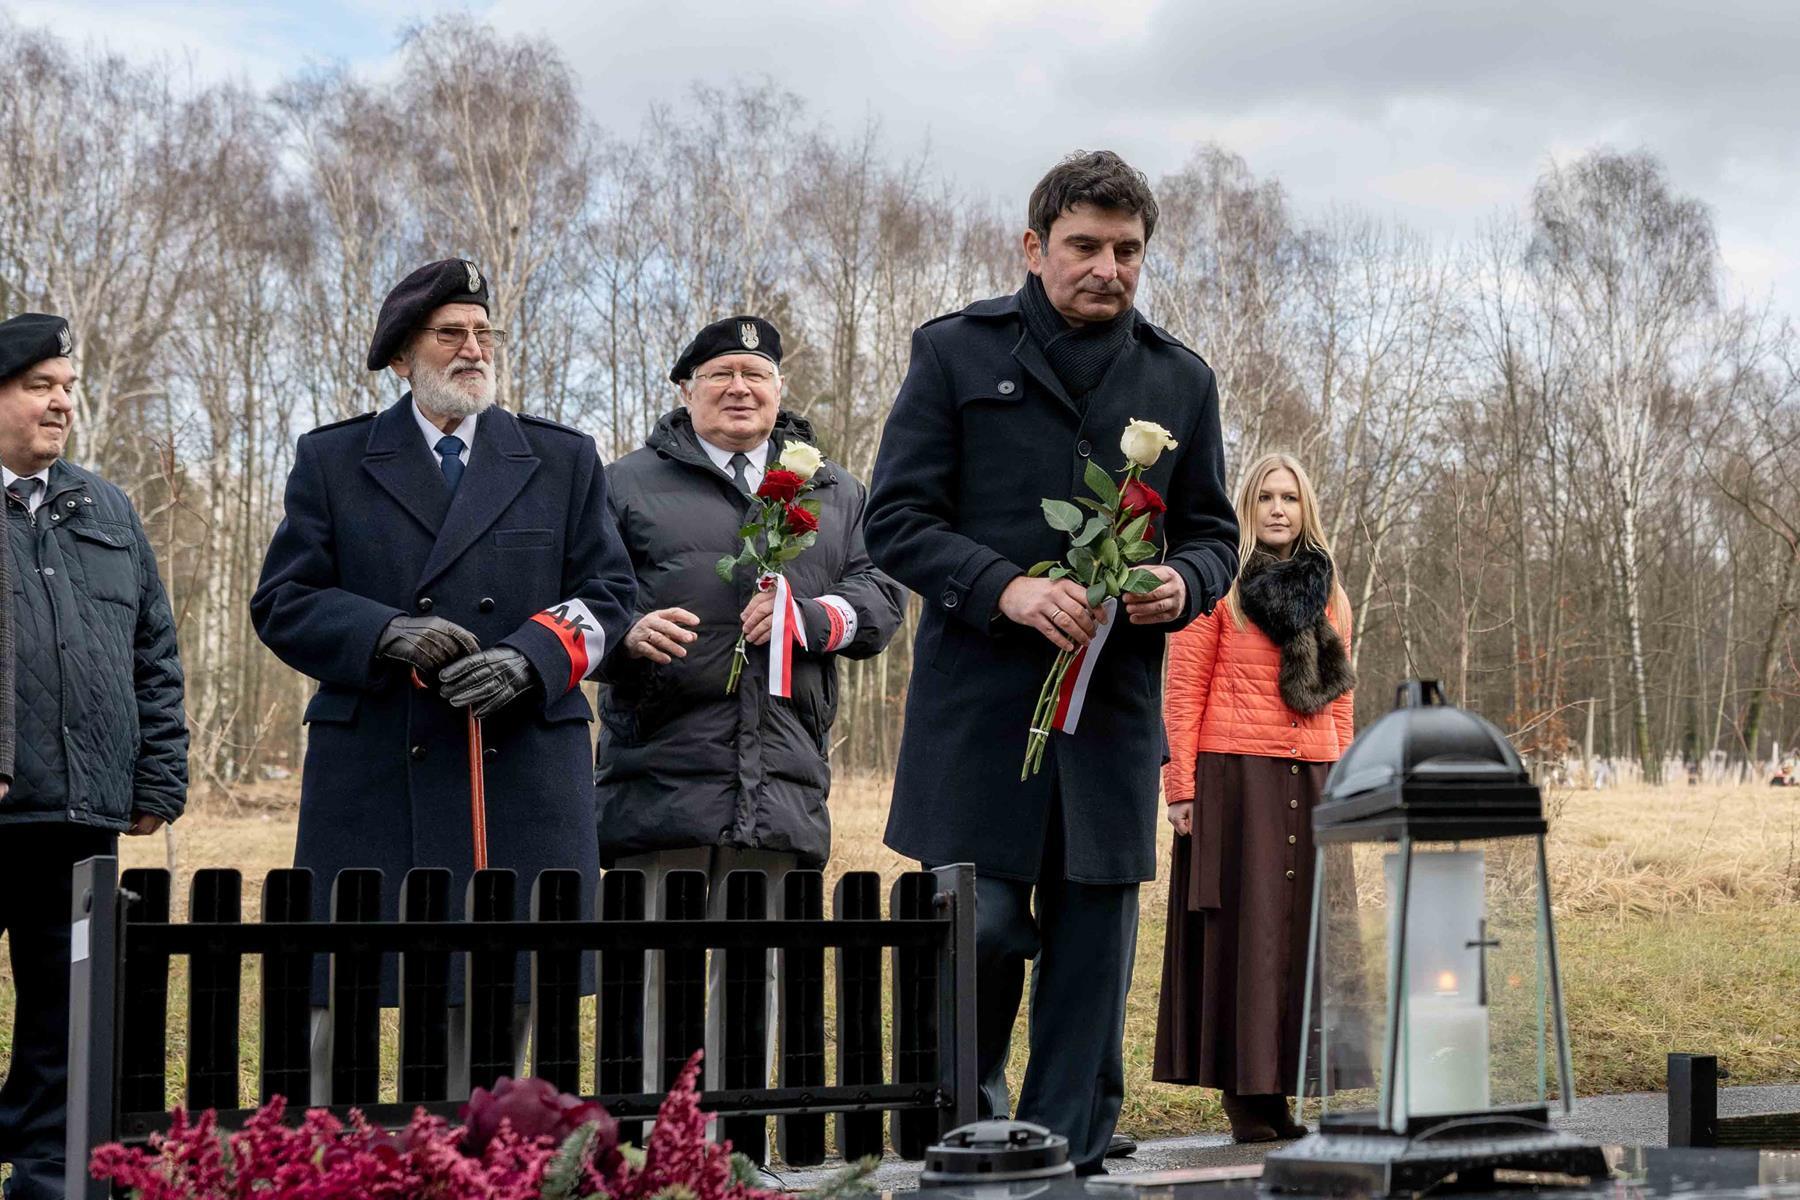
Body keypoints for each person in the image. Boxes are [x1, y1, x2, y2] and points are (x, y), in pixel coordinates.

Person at [864, 151, 1239, 1175]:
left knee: (1090, 968)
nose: (1106, 268)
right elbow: (893, 519)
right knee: (977, 936)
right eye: (1084, 246)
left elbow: (1214, 533)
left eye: (1127, 250)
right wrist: (1004, 588)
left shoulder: (1180, 378)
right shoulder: (951, 353)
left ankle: (1066, 1164)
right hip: (979, 720)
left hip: (1110, 724)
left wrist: (1186, 585)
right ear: (1035, 249)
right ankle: (973, 1143)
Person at [250, 259, 636, 1097]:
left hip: (520, 765)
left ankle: (477, 1156)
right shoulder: (336, 458)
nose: (473, 348)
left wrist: (529, 659)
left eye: (484, 332)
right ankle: (328, 1164)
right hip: (380, 767)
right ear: (402, 356)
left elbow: (610, 597)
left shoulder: (562, 459)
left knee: (505, 987)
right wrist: (385, 631)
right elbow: (283, 601)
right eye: (450, 333)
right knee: (343, 989)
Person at [595, 314, 903, 1106]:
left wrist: (816, 616)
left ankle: (735, 1150)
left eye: (755, 374)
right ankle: (649, 1148)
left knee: (756, 970)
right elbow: (580, 598)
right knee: (653, 972)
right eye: (720, 374)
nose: (739, 388)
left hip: (783, 770)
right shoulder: (624, 484)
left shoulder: (833, 488)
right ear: (687, 391)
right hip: (661, 766)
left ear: (779, 390)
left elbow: (880, 594)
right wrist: (628, 631)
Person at [0, 313, 188, 1198]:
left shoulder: (106, 507)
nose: (62, 403)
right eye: (41, 386)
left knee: (64, 1021)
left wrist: (156, 776)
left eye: (68, 387)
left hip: (82, 811)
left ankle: (44, 1181)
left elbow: (154, 648)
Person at [1152, 451, 1356, 1143]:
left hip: (1316, 776)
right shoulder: (1219, 586)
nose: (1277, 508)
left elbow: (1341, 697)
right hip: (1237, 780)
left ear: (1306, 509)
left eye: (1290, 498)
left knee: (1302, 937)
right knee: (1249, 935)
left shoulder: (1328, 592)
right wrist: (1182, 787)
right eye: (1266, 496)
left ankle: (1282, 1090)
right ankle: (1246, 1095)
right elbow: (1181, 691)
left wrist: (1351, 782)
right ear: (1247, 507)